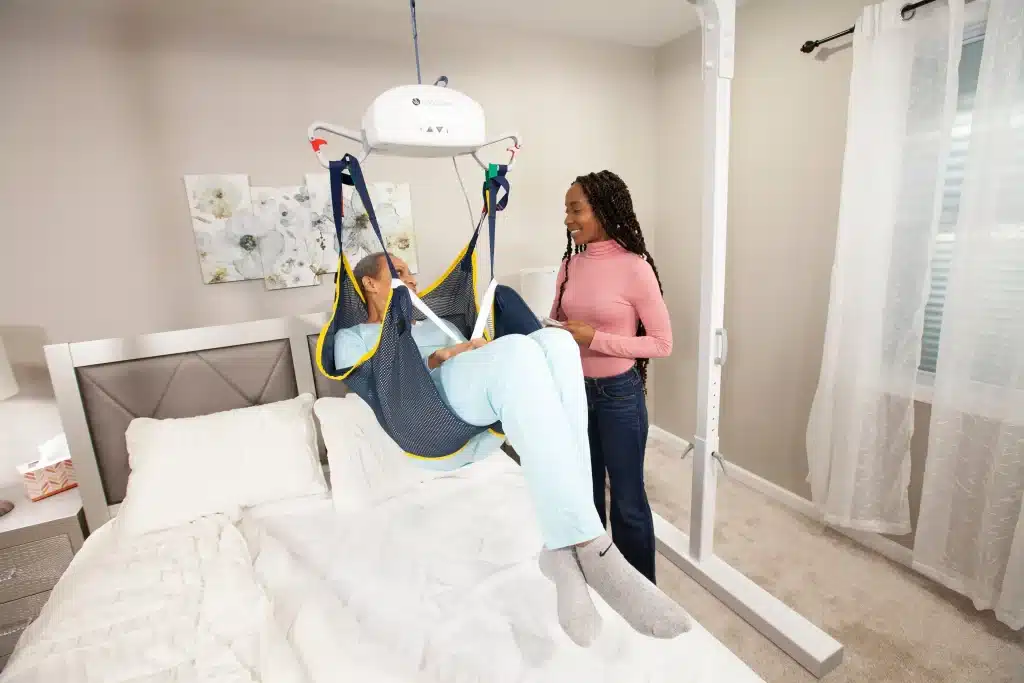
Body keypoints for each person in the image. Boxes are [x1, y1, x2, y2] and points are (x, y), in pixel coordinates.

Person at [334, 251, 691, 647]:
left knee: (556, 342)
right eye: (399, 273)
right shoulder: (352, 339)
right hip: (425, 418)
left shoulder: (432, 324)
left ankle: (564, 549)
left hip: (467, 405)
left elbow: (475, 357)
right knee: (518, 351)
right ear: (368, 283)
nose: (413, 280)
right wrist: (441, 356)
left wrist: (473, 351)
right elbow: (385, 387)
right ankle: (591, 546)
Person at [551, 170, 671, 585]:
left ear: (602, 209)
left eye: (575, 208)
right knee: (585, 496)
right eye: (566, 209)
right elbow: (560, 321)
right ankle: (602, 580)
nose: (568, 218)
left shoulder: (634, 268)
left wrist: (596, 339)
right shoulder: (569, 265)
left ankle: (641, 591)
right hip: (574, 392)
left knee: (628, 501)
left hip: (618, 396)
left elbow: (660, 343)